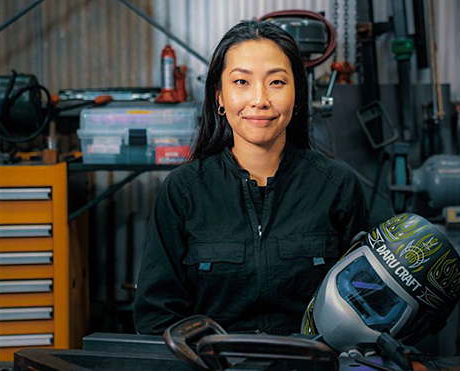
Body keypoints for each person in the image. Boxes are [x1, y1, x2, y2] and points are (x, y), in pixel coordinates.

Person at [133, 20, 370, 336]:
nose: (259, 99)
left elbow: (367, 304)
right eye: (241, 82)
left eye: (276, 83)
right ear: (219, 96)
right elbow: (155, 318)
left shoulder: (337, 186)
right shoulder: (183, 192)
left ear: (297, 94)